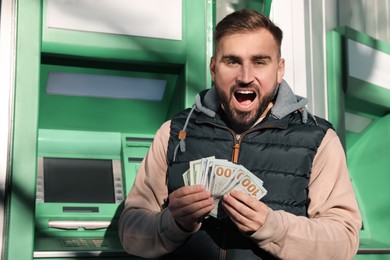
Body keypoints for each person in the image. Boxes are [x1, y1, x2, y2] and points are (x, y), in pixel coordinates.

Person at [118, 9, 362, 260]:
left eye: (259, 61)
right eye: (232, 61)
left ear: (279, 70)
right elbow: (129, 231)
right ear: (214, 69)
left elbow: (343, 241)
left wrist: (273, 228)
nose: (245, 77)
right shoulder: (173, 132)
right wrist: (173, 223)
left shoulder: (319, 140)